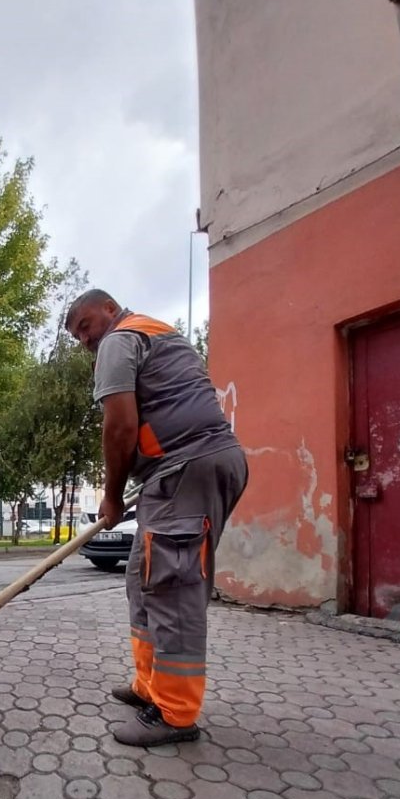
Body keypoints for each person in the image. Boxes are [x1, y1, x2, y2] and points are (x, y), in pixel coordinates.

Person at [66, 289, 248, 748]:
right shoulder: (156, 333)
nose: (84, 339)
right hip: (179, 469)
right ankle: (150, 686)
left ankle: (175, 713)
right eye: (76, 336)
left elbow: (121, 425)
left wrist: (109, 495)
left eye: (85, 326)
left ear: (109, 309)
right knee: (142, 576)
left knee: (173, 586)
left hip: (188, 467)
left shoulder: (120, 340)